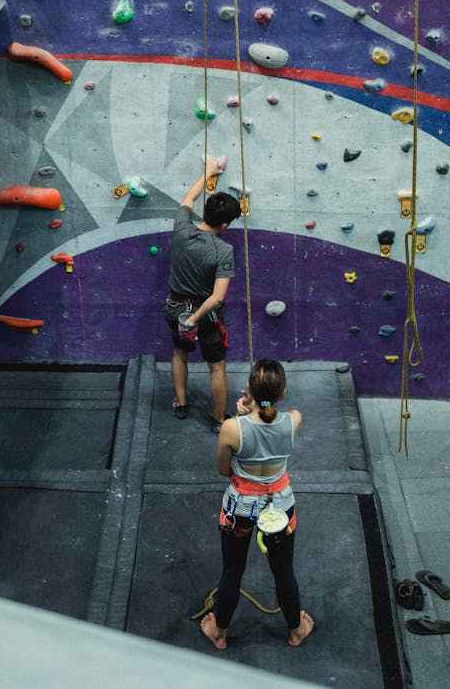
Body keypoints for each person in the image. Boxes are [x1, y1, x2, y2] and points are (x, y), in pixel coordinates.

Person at [200, 358, 314, 649]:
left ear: (249, 388)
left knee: (232, 571)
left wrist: (243, 414)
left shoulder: (230, 428)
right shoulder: (294, 419)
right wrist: (252, 408)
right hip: (280, 507)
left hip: (239, 508)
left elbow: (224, 470)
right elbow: (269, 418)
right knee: (284, 571)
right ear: (283, 392)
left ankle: (220, 634)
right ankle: (295, 631)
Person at [164, 158, 242, 431]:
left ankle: (182, 403)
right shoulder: (224, 251)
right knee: (217, 366)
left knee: (179, 353)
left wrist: (208, 171)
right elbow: (217, 298)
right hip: (204, 314)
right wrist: (195, 318)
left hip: (176, 306)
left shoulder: (181, 227)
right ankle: (219, 419)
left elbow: (190, 197)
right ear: (225, 226)